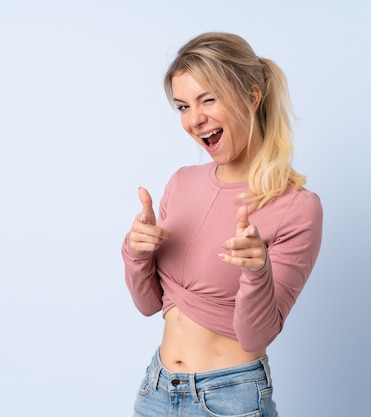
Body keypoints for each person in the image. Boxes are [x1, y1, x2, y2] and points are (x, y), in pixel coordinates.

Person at [121, 32, 323, 417]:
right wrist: (136, 251)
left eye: (208, 99)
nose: (195, 119)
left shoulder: (297, 207)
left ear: (251, 97)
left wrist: (256, 270)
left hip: (231, 398)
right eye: (183, 106)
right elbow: (149, 304)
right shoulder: (181, 182)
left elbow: (256, 335)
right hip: (156, 389)